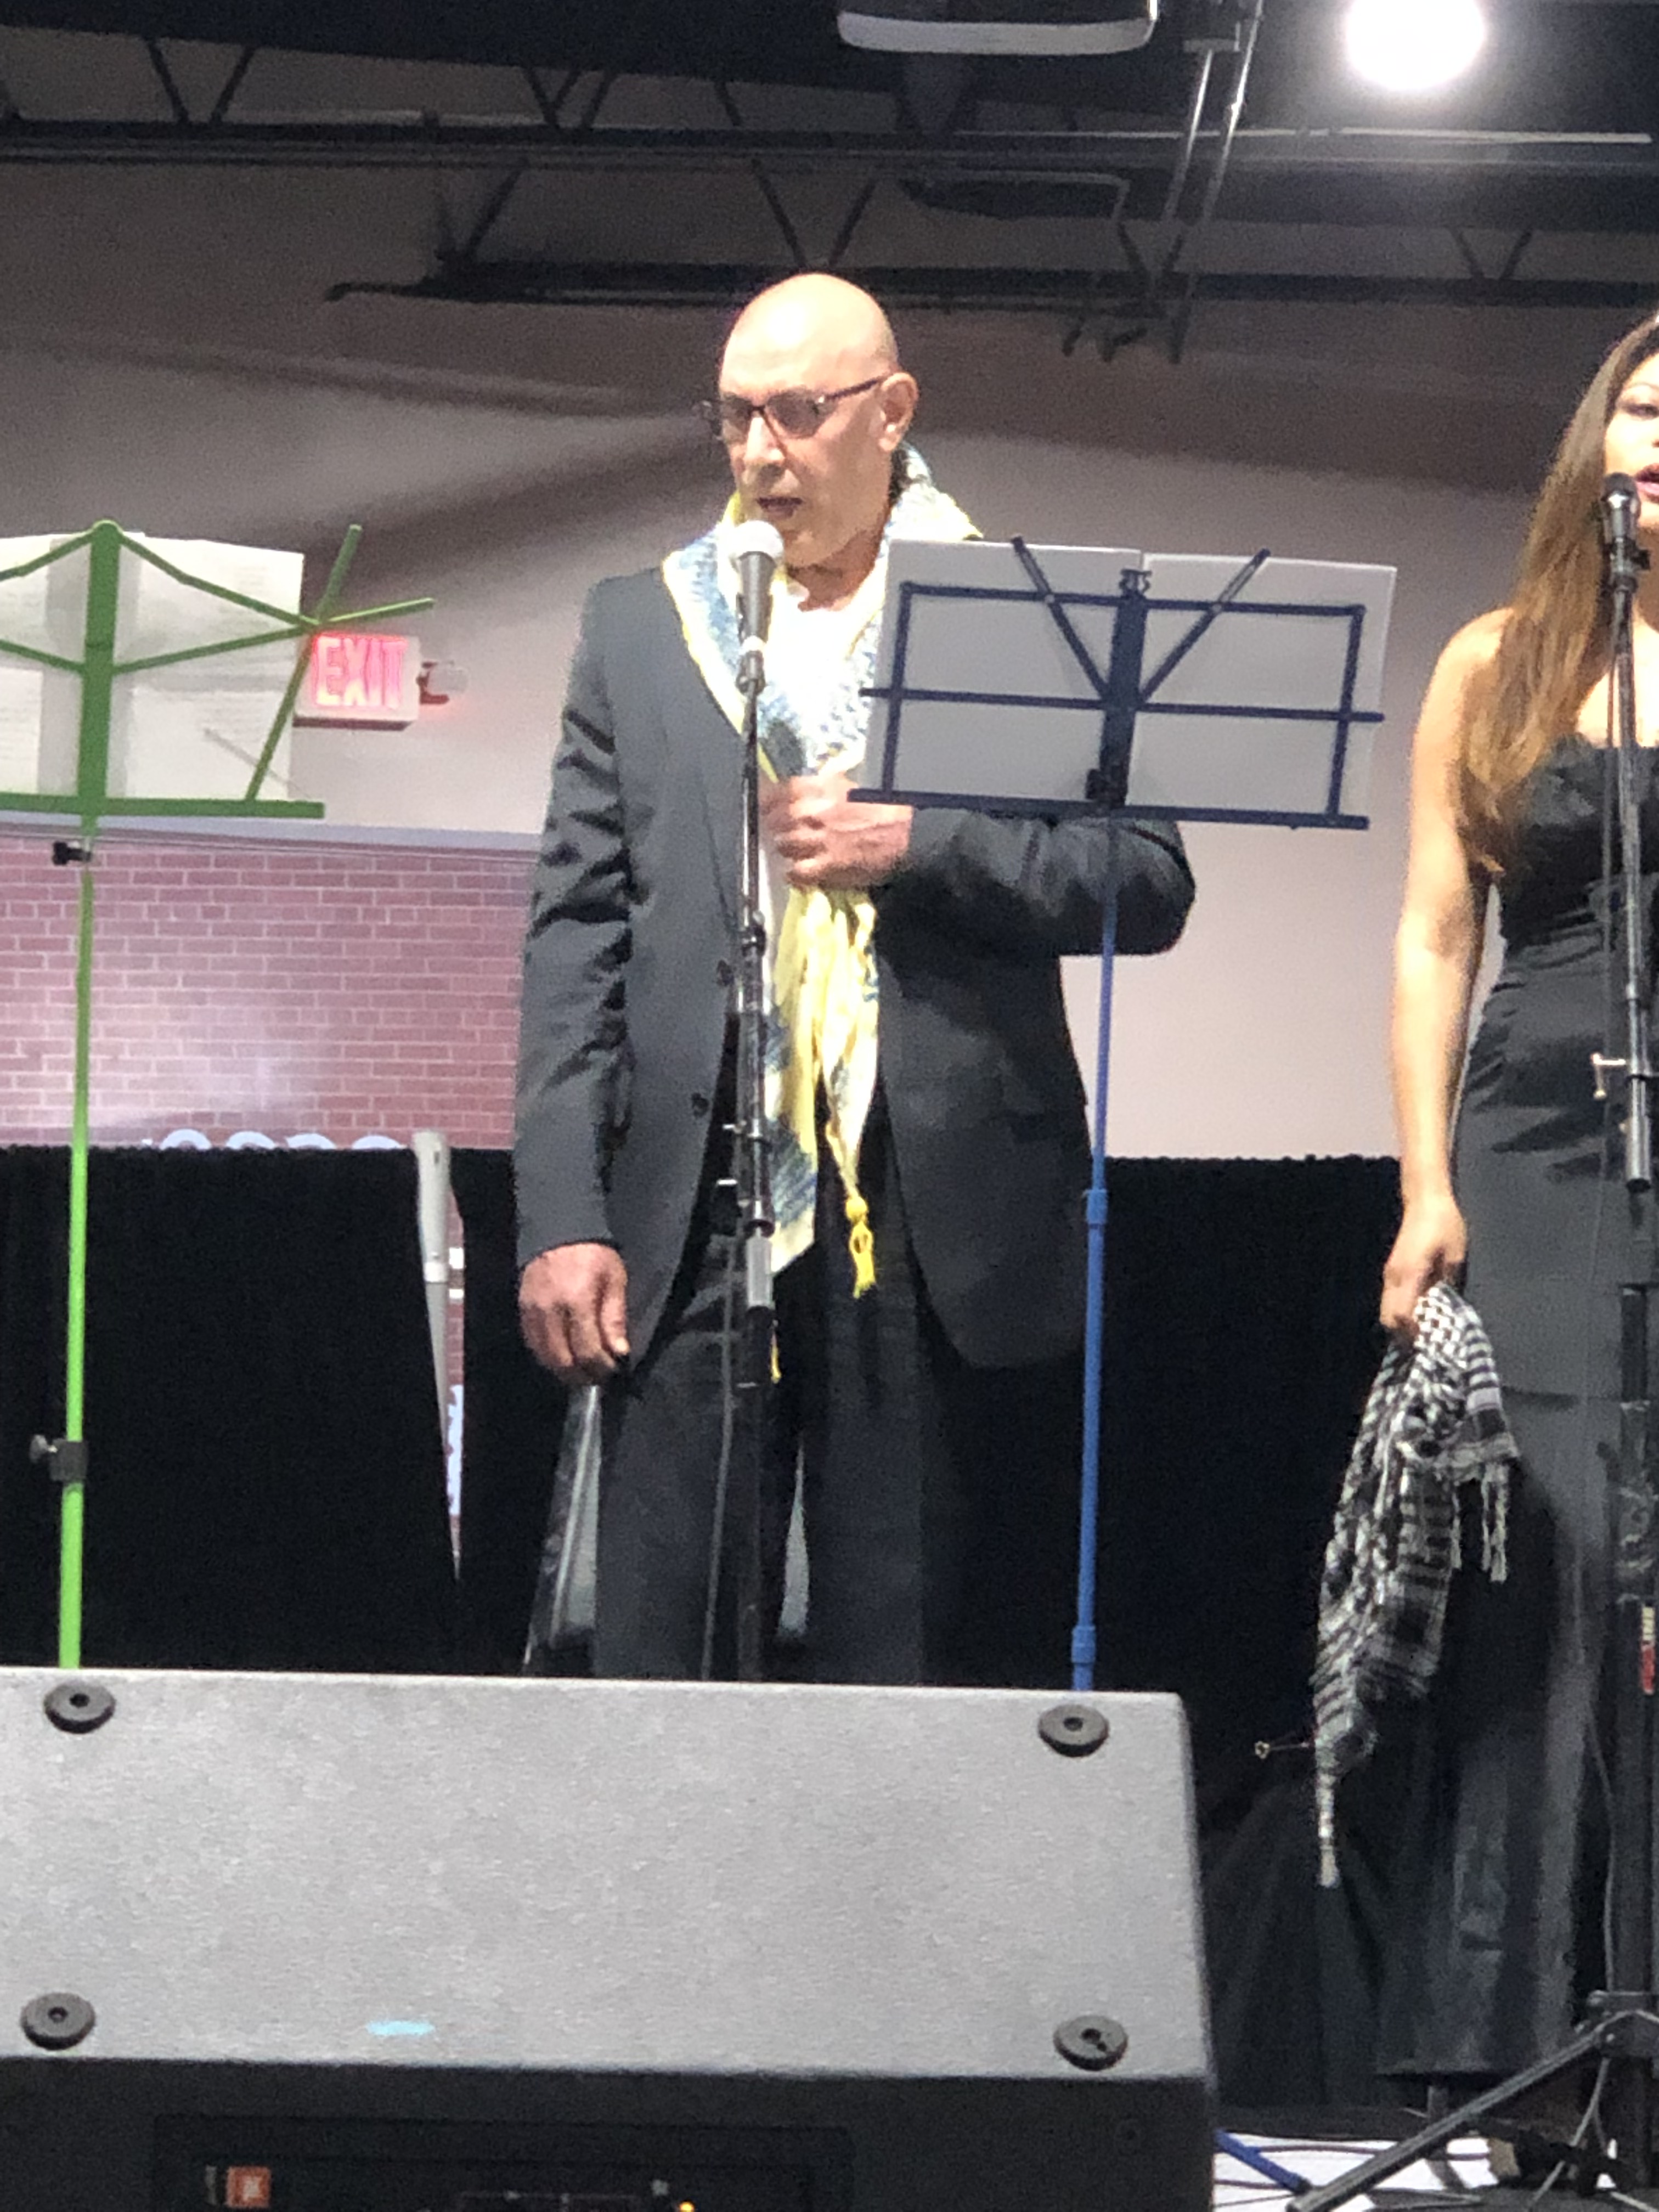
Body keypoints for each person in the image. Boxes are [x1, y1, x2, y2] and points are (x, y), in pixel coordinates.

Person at [515, 273, 1194, 1684]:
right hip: (695, 1196)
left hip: (926, 1198)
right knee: (665, 1663)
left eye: (799, 413)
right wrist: (563, 1210)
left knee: (907, 1660)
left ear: (893, 413)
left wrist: (920, 845)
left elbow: (1144, 878)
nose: (761, 451)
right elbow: (577, 933)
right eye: (734, 417)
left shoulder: (1020, 612)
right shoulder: (647, 623)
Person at [1378, 311, 1659, 2083]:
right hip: (1536, 1154)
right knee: (1546, 1577)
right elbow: (1433, 933)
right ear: (1594, 445)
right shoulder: (1500, 660)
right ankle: (1512, 2056)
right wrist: (1424, 1183)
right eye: (1642, 412)